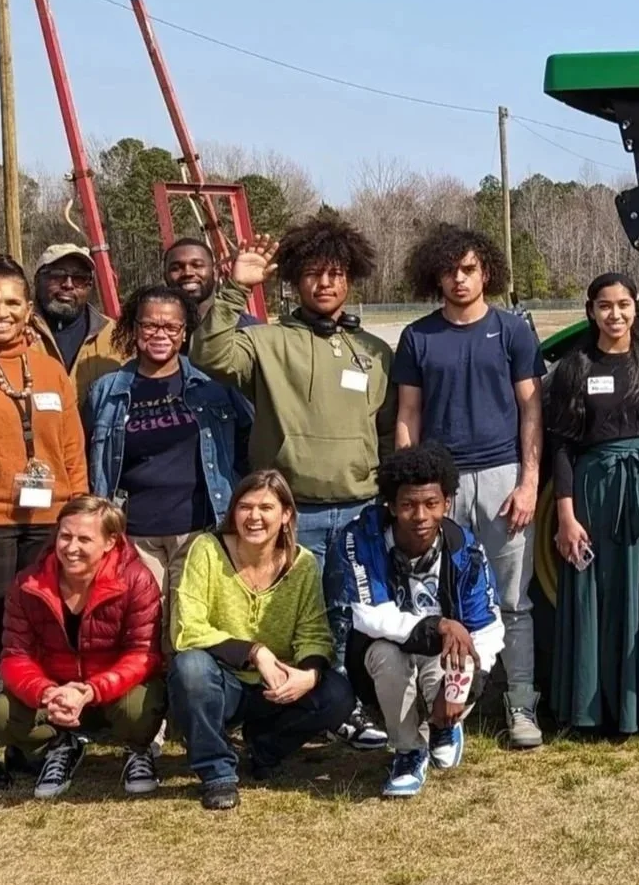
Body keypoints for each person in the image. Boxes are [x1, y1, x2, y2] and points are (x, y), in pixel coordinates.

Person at [190, 213, 394, 750]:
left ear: (350, 278)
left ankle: (342, 707)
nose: (325, 283)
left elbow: (388, 428)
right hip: (290, 512)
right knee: (284, 614)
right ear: (295, 281)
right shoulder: (266, 342)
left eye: (335, 273)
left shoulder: (373, 351)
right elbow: (209, 353)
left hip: (357, 506)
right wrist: (236, 287)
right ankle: (275, 708)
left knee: (346, 615)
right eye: (312, 274)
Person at [393, 224, 545, 748]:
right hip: (441, 486)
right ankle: (444, 704)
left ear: (486, 273)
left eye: (469, 269)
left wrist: (528, 483)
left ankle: (520, 704)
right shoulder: (417, 337)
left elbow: (531, 407)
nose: (459, 279)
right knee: (441, 599)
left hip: (503, 477)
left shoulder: (512, 331)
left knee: (512, 600)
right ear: (435, 275)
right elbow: (408, 414)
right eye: (450, 270)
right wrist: (411, 484)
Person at [0, 255, 90, 790]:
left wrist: (78, 513)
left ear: (29, 310)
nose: (1, 312)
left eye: (12, 303)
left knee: (39, 635)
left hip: (49, 520)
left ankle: (30, 740)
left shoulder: (50, 368)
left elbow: (73, 448)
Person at [547, 273, 639, 737]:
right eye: (605, 306)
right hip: (594, 488)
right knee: (597, 595)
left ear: (637, 308)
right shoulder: (575, 368)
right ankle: (592, 711)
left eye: (624, 305)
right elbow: (564, 448)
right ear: (591, 310)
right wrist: (565, 516)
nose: (615, 314)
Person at [168, 470, 356, 811]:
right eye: (245, 507)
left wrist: (308, 673)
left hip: (276, 686)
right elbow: (187, 629)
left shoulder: (302, 564)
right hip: (221, 681)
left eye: (266, 508)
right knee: (189, 667)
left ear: (285, 515)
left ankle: (263, 749)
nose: (254, 517)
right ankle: (217, 773)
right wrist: (254, 652)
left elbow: (314, 633)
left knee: (337, 694)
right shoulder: (206, 550)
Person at [84, 284, 253, 638]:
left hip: (199, 530)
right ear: (134, 329)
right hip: (135, 535)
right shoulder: (107, 390)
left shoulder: (213, 384)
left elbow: (247, 439)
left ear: (185, 331)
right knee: (141, 629)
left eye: (171, 327)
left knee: (188, 628)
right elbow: (92, 461)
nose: (160, 334)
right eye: (149, 326)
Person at [339, 442, 504, 798]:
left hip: (442, 653)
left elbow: (488, 630)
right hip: (383, 651)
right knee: (387, 653)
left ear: (447, 503)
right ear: (391, 506)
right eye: (408, 505)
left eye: (431, 504)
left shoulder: (466, 549)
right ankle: (409, 751)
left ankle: (444, 726)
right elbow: (369, 616)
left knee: (457, 657)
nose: (420, 516)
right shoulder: (361, 537)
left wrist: (460, 689)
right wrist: (440, 625)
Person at [0, 496, 163, 799]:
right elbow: (15, 656)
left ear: (109, 542)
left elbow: (143, 655)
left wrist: (90, 690)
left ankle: (137, 750)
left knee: (140, 709)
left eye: (84, 539)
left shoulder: (136, 580)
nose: (71, 547)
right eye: (65, 536)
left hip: (113, 692)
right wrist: (47, 692)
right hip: (55, 693)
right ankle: (61, 745)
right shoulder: (28, 584)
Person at [0, 243, 122, 402]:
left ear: (89, 286)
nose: (68, 285)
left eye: (80, 278)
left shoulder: (114, 334)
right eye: (57, 275)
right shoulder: (9, 325)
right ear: (37, 280)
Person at [162, 238, 262, 355]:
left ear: (215, 273)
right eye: (176, 268)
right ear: (165, 276)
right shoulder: (156, 333)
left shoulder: (247, 329)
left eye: (197, 265)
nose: (188, 273)